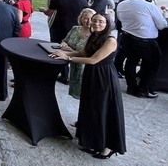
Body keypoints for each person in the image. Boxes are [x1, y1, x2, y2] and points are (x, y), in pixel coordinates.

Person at [51, 13, 126, 159]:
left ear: (107, 24)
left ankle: (108, 147)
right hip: (91, 75)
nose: (97, 23)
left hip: (104, 78)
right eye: (94, 21)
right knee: (91, 109)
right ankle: (94, 142)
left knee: (103, 110)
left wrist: (68, 58)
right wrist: (63, 53)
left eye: (101, 21)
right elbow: (82, 52)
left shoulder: (110, 40)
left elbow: (93, 60)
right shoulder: (93, 36)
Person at [117, 0, 167, 98]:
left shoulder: (122, 4)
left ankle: (131, 87)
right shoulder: (149, 6)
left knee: (131, 62)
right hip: (145, 40)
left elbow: (120, 18)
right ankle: (143, 89)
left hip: (127, 36)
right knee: (153, 64)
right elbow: (161, 25)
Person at [44, 0, 88, 83]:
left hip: (59, 28)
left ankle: (63, 74)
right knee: (73, 50)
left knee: (58, 49)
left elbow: (49, 13)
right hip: (76, 29)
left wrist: (43, 11)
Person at [60, 8, 95, 99]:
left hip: (85, 68)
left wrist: (70, 50)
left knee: (85, 95)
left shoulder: (94, 34)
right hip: (74, 66)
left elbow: (87, 54)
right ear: (81, 18)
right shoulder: (75, 29)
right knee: (76, 95)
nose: (88, 21)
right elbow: (65, 40)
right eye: (86, 18)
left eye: (91, 19)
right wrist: (64, 43)